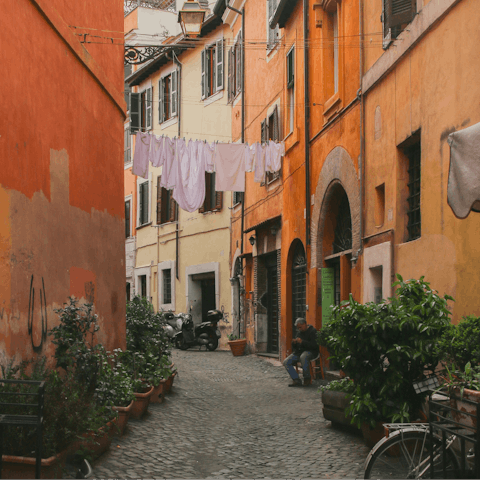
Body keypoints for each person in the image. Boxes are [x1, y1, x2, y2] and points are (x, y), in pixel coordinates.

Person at [283, 318, 319, 387]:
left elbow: (314, 345)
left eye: (300, 327)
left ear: (304, 324)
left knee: (303, 356)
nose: (299, 329)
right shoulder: (299, 333)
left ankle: (307, 378)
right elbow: (295, 348)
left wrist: (302, 342)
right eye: (298, 328)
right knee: (286, 362)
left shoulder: (313, 331)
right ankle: (296, 380)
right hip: (299, 352)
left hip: (311, 352)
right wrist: (294, 343)